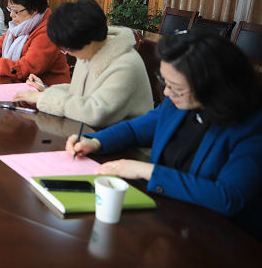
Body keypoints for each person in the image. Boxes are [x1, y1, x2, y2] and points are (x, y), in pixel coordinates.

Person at [66, 29, 262, 238]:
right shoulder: (178, 103)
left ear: (212, 85)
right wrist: (96, 142)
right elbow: (135, 129)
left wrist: (147, 171)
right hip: (168, 219)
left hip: (219, 237)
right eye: (164, 82)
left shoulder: (251, 125)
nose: (167, 93)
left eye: (175, 87)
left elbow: (228, 197)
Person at [13, 0, 153, 128]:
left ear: (89, 41)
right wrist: (46, 90)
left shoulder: (126, 65)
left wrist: (43, 98)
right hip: (88, 132)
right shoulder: (89, 50)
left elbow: (96, 113)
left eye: (68, 49)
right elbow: (79, 92)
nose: (67, 53)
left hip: (122, 141)